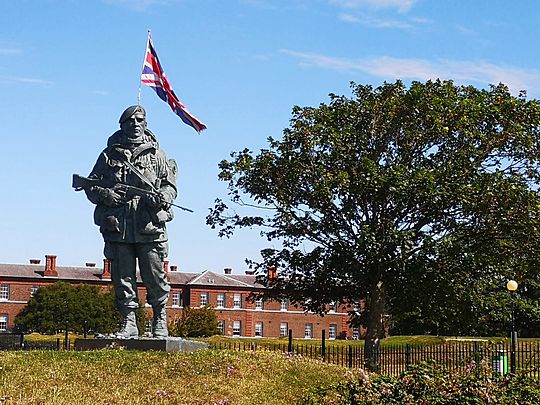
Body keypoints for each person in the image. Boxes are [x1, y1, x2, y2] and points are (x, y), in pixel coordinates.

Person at [84, 105, 177, 338]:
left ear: (145, 124)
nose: (135, 124)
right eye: (130, 120)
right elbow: (90, 185)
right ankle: (129, 322)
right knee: (122, 276)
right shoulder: (108, 155)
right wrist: (105, 195)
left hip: (149, 224)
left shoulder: (158, 154)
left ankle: (159, 319)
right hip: (118, 223)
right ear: (122, 125)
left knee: (154, 275)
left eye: (139, 120)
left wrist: (164, 196)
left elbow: (170, 185)